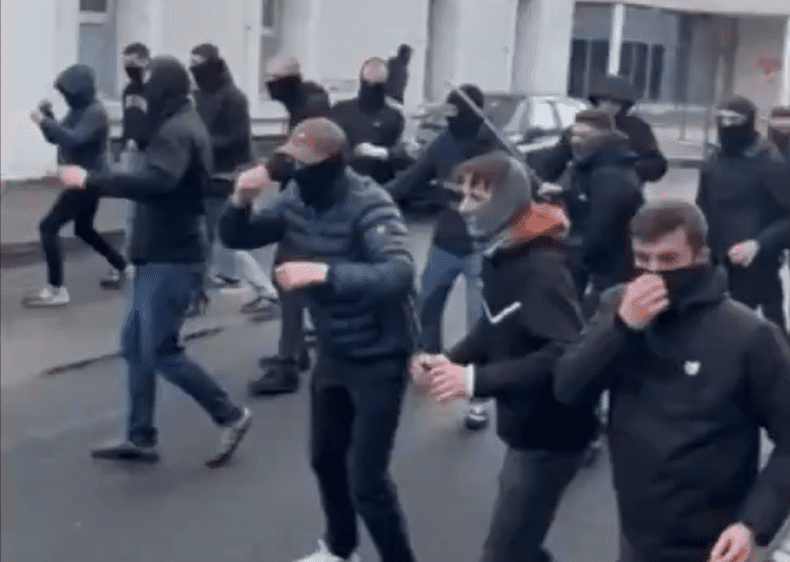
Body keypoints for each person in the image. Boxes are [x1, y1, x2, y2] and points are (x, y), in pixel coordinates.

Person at [220, 117, 419, 562]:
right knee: (325, 460)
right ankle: (340, 549)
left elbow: (399, 273)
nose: (294, 171)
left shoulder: (370, 204)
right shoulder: (294, 197)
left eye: (304, 163)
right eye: (289, 160)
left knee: (367, 481)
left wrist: (323, 273)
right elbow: (239, 237)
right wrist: (240, 200)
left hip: (380, 353)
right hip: (333, 348)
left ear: (332, 164)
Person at [555, 198, 790, 562]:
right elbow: (568, 388)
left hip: (714, 542)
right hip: (636, 531)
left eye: (668, 260)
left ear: (699, 255)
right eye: (643, 258)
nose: (653, 273)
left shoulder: (749, 336)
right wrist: (621, 328)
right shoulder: (618, 306)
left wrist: (753, 523)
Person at [57, 56, 252, 467]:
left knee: (162, 350)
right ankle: (140, 436)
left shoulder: (178, 131)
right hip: (157, 253)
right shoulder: (177, 123)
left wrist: (91, 179)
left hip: (173, 256)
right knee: (134, 347)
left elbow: (158, 181)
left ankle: (230, 415)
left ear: (164, 89)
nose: (144, 95)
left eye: (150, 87)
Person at [413, 151, 595, 562]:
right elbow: (496, 322)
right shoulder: (504, 251)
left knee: (504, 551)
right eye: (462, 194)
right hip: (525, 427)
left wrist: (475, 382)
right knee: (520, 545)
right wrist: (452, 359)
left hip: (552, 436)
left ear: (507, 201)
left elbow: (565, 353)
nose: (464, 207)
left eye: (477, 196)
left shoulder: (541, 268)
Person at [385, 84, 501, 430]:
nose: (451, 118)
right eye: (448, 112)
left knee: (479, 323)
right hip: (446, 241)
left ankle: (478, 397)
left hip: (484, 245)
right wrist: (374, 198)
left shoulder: (495, 146)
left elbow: (514, 192)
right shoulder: (443, 143)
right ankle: (431, 364)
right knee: (428, 306)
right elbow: (411, 178)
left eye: (457, 112)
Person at [249, 55, 332, 394]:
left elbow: (299, 154)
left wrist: (267, 171)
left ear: (289, 80)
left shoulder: (310, 108)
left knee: (289, 278)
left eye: (273, 79)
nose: (269, 85)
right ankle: (297, 352)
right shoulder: (303, 103)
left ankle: (289, 365)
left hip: (310, 204)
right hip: (307, 199)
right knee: (291, 279)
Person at [26, 64, 129, 307]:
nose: (66, 98)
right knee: (83, 229)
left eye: (67, 93)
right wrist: (48, 117)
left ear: (79, 91)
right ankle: (122, 265)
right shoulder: (79, 111)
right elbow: (58, 137)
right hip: (82, 179)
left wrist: (45, 121)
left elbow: (73, 139)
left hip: (87, 181)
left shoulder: (95, 113)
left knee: (48, 227)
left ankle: (57, 289)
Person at [189, 43, 279, 316]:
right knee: (201, 239)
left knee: (229, 239)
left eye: (199, 65)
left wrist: (203, 143)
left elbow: (239, 139)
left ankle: (266, 291)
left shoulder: (233, 98)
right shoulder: (196, 97)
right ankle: (195, 294)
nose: (194, 71)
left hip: (227, 175)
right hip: (201, 175)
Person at [696, 96, 790, 333]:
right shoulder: (713, 160)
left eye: (733, 120)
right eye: (721, 119)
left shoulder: (770, 161)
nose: (726, 125)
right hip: (717, 263)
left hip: (759, 267)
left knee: (766, 334)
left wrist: (758, 244)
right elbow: (702, 208)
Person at [562, 108, 644, 306]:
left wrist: (580, 257)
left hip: (607, 267)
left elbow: (601, 223)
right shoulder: (592, 164)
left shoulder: (609, 173)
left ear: (602, 136)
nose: (575, 141)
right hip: (602, 262)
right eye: (573, 135)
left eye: (583, 136)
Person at [536, 74, 667, 186]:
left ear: (624, 105)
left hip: (624, 191)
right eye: (604, 101)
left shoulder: (636, 128)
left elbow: (655, 162)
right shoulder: (583, 125)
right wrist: (544, 182)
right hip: (584, 190)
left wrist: (632, 169)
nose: (608, 106)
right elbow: (556, 159)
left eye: (615, 102)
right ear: (596, 102)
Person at [330, 57, 409, 184]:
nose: (371, 88)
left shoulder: (394, 117)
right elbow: (330, 149)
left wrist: (384, 153)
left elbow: (401, 156)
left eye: (376, 85)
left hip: (381, 183)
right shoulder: (340, 111)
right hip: (346, 182)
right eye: (368, 83)